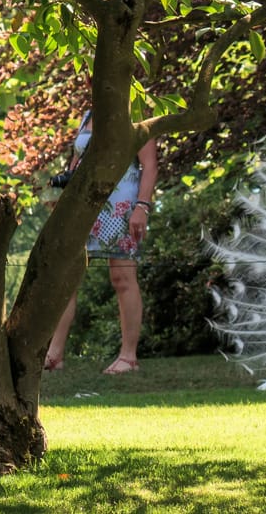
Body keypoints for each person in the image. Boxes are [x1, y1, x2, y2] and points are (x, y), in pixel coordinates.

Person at [44, 108, 158, 374]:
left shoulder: (136, 112)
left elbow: (150, 165)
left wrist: (142, 206)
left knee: (122, 278)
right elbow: (76, 164)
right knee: (66, 277)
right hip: (84, 206)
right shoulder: (88, 114)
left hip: (121, 207)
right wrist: (64, 200)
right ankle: (54, 354)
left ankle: (128, 357)